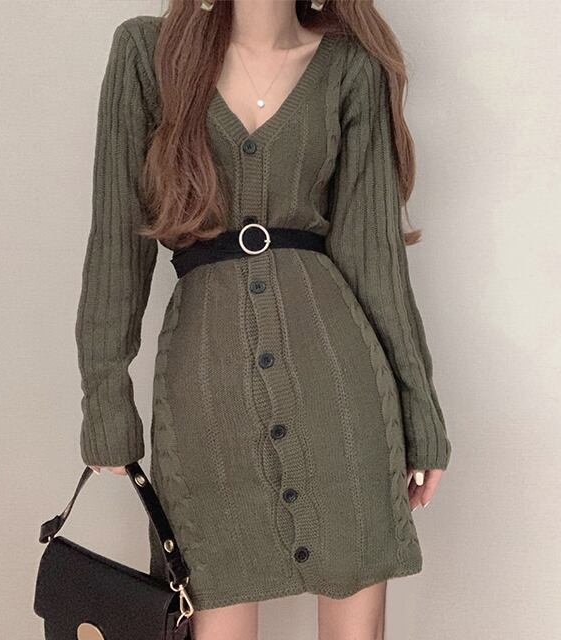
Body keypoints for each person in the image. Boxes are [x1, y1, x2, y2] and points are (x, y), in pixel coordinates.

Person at [75, 1, 452, 638]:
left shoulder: (351, 68)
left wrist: (421, 410)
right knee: (208, 607)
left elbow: (376, 261)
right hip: (206, 395)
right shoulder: (147, 54)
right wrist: (104, 395)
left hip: (338, 389)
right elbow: (116, 242)